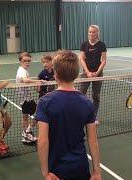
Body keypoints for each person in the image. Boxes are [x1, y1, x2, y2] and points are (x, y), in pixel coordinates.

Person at [36, 50, 102, 180]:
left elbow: (42, 141)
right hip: (80, 167)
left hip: (56, 170)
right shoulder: (87, 103)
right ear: (76, 74)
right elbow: (93, 141)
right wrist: (97, 172)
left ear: (55, 73)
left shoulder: (45, 102)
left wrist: (45, 173)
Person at [79, 24, 107, 123]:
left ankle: (93, 116)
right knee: (81, 94)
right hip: (86, 73)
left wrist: (97, 73)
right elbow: (82, 59)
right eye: (90, 32)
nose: (91, 34)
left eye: (93, 32)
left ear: (97, 33)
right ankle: (80, 114)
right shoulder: (84, 44)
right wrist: (87, 72)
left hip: (98, 74)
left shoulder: (102, 45)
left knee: (96, 96)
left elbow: (103, 60)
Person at [16, 52, 44, 144]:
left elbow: (26, 82)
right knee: (39, 111)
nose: (27, 63)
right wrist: (37, 81)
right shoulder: (21, 71)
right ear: (20, 61)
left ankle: (26, 133)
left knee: (26, 116)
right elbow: (24, 80)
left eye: (28, 61)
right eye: (24, 61)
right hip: (24, 99)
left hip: (26, 97)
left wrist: (35, 86)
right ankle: (26, 133)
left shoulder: (24, 70)